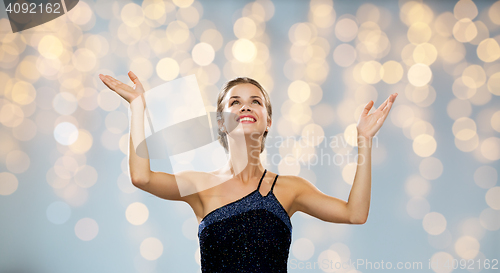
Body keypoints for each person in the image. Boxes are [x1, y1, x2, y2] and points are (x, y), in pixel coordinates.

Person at [98, 71, 398, 272]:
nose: (245, 107)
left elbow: (354, 214)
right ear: (220, 122)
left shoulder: (290, 188)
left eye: (255, 102)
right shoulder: (200, 185)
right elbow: (141, 177)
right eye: (234, 102)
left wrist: (364, 142)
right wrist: (137, 107)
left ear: (268, 121)